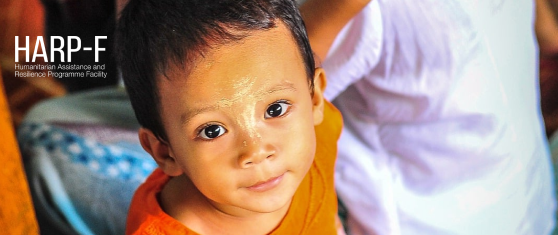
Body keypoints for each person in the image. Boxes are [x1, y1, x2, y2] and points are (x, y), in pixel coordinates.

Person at [301, 0, 556, 234]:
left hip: (533, 202)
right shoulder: (367, 9)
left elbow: (548, 35)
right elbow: (286, 98)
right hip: (429, 224)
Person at [115, 0, 344, 234]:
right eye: (212, 130)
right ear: (165, 152)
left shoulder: (320, 133)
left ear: (314, 99)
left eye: (275, 109)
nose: (256, 151)